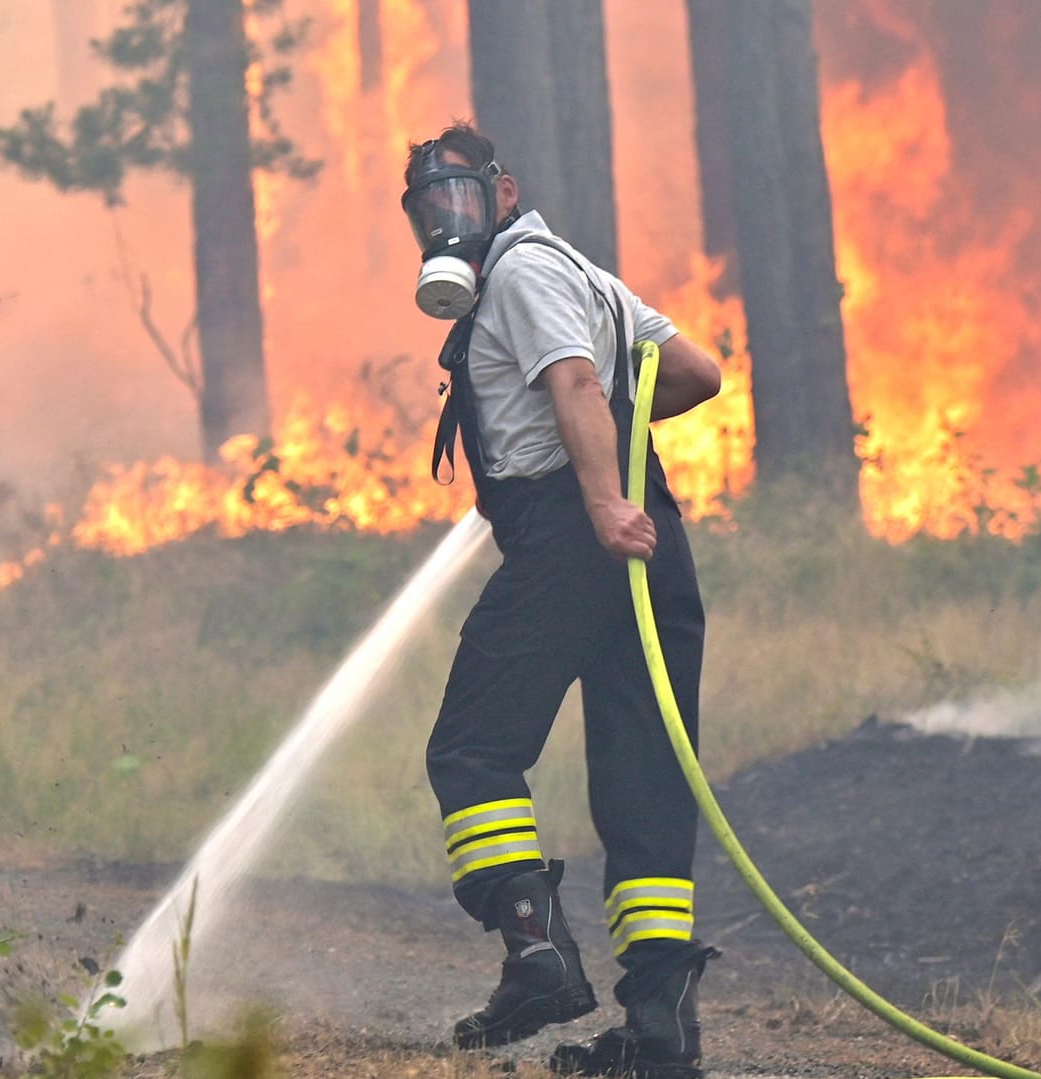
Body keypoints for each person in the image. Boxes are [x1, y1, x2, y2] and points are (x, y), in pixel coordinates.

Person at [400, 122, 724, 1079]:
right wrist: (621, 450)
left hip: (579, 535)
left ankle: (536, 953)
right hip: (650, 548)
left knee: (471, 747)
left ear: (504, 194)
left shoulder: (525, 273)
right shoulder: (585, 274)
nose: (447, 218)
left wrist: (601, 497)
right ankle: (661, 1031)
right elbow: (697, 373)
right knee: (644, 781)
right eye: (430, 207)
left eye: (462, 195)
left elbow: (575, 379)